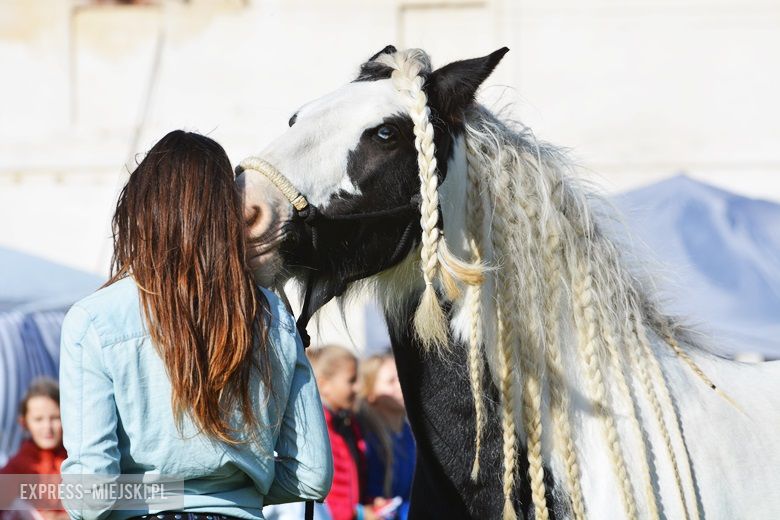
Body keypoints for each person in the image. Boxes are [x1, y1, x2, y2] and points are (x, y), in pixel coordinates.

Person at [58, 130, 332, 520]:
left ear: (139, 210)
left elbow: (92, 497)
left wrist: (168, 493)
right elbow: (311, 475)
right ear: (228, 214)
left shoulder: (94, 320)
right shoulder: (273, 317)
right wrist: (234, 490)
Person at [307, 346, 377, 520]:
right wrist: (358, 513)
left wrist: (371, 505)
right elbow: (326, 491)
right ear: (324, 385)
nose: (358, 388)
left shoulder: (349, 423)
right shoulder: (319, 429)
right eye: (351, 380)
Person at [0, 377, 68, 520]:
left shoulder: (77, 462)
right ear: (24, 423)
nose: (47, 428)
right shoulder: (18, 467)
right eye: (38, 419)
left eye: (55, 417)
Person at [356, 355, 414, 520]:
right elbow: (375, 504)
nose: (402, 384)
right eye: (391, 381)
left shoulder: (409, 434)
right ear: (371, 394)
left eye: (401, 376)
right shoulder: (368, 441)